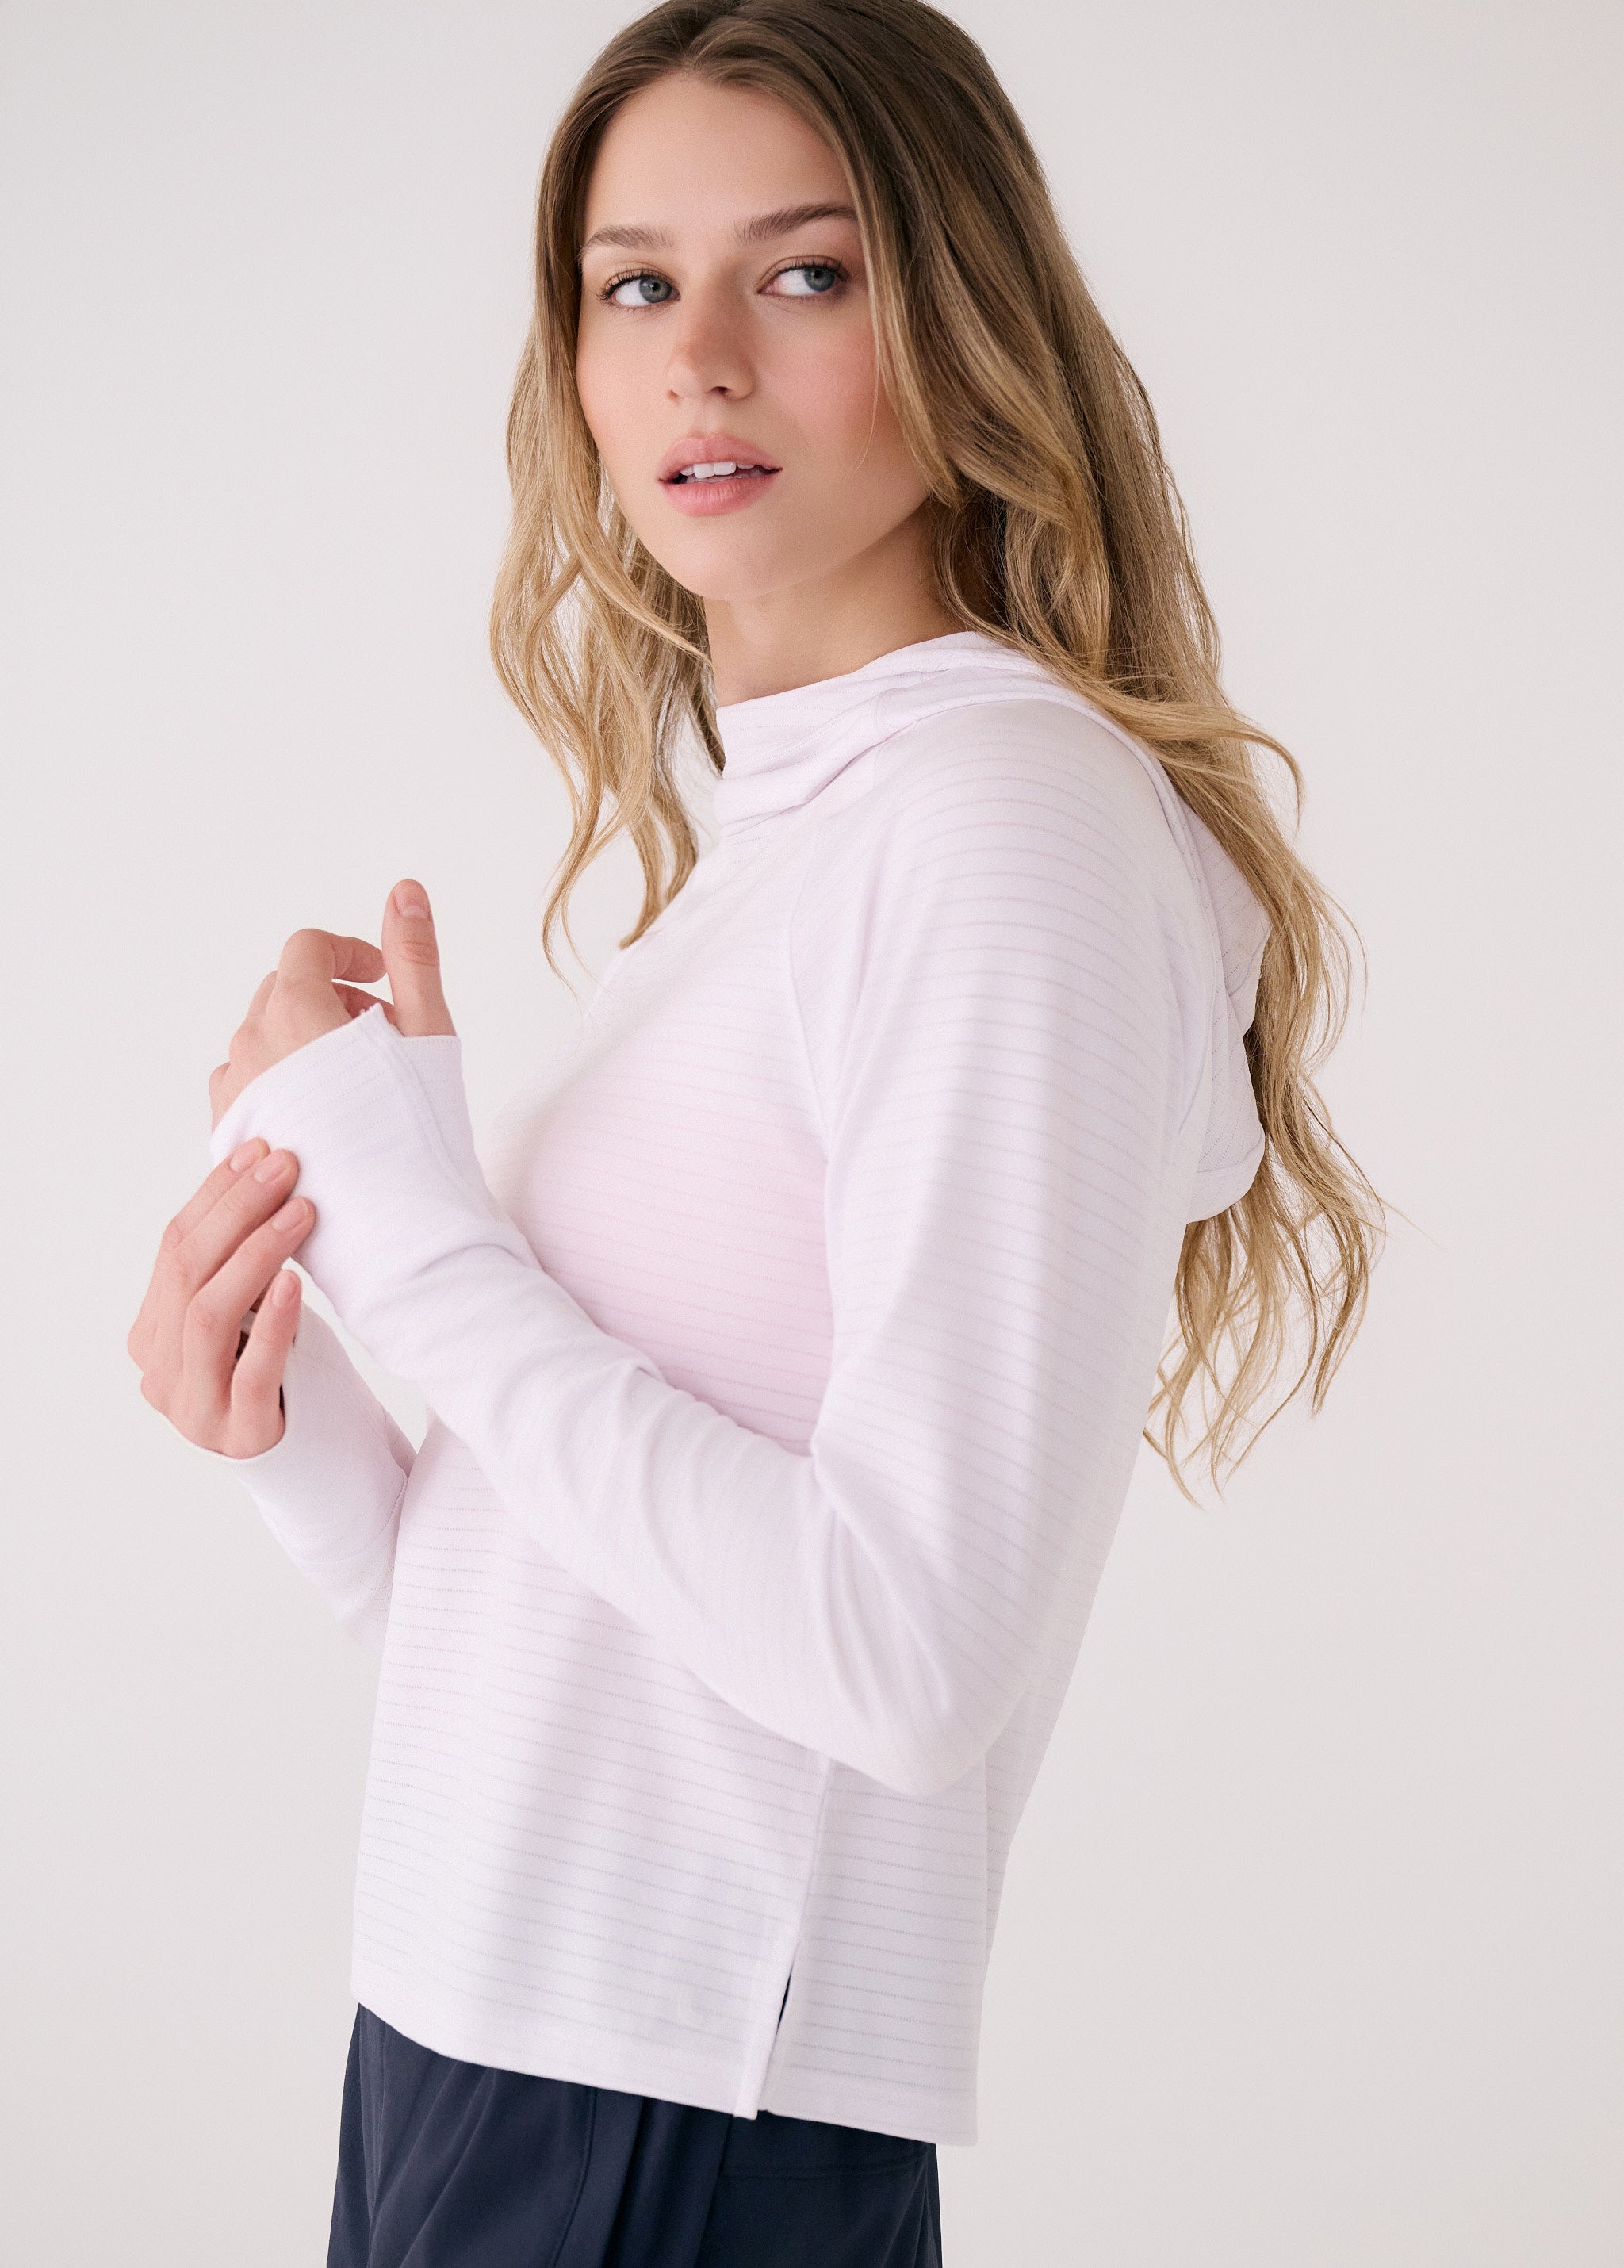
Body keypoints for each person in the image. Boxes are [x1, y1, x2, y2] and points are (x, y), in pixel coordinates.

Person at [127, 2, 1382, 2259]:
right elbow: (604, 1661)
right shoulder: (805, 832)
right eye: (635, 285)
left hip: (666, 2104)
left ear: (962, 320)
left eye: (805, 272)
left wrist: (426, 1246)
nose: (698, 359)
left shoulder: (999, 828)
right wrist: (304, 1424)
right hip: (482, 2037)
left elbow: (902, 1660)